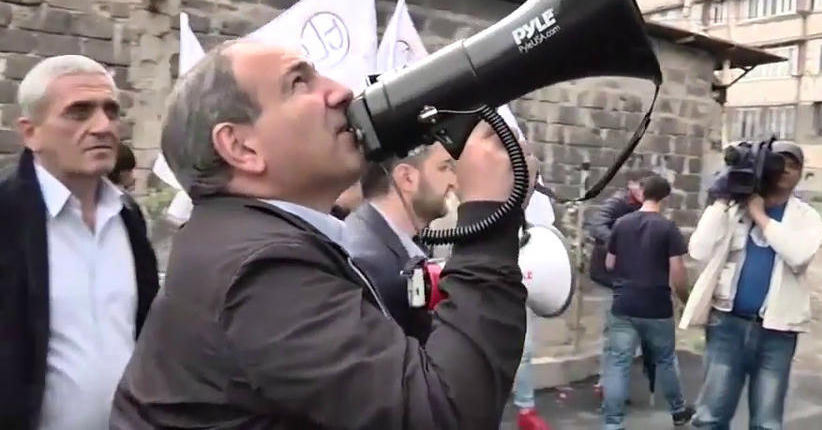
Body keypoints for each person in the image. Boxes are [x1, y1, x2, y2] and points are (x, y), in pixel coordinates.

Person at [109, 40, 532, 429]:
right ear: (241, 148)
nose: (341, 92)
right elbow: (443, 412)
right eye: (298, 83)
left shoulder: (239, 242)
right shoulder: (260, 271)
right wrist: (489, 217)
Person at [0, 55, 160, 430]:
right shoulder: (6, 215)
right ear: (30, 132)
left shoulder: (127, 216)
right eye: (79, 112)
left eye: (111, 111)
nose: (102, 126)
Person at [682, 141, 822, 429]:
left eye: (794, 165)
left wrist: (760, 215)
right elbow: (698, 250)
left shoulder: (806, 217)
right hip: (727, 324)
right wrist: (722, 198)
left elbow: (798, 256)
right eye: (779, 162)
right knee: (710, 417)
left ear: (801, 173)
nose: (786, 169)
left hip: (778, 331)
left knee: (767, 422)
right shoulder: (734, 209)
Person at [601, 174, 694, 428]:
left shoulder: (621, 224)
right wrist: (685, 299)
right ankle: (678, 411)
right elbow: (677, 272)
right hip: (656, 305)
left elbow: (610, 263)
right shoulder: (668, 228)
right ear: (665, 198)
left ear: (642, 193)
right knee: (665, 359)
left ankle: (612, 423)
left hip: (624, 304)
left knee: (618, 362)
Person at [342, 144, 457, 341]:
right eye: (444, 167)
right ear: (407, 178)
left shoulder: (394, 242)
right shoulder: (368, 259)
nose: (454, 181)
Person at [583, 169, 653, 389]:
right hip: (609, 277)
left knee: (629, 332)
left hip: (632, 278)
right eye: (640, 185)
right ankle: (606, 382)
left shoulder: (647, 207)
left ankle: (614, 379)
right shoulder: (616, 203)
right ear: (630, 185)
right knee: (612, 331)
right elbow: (596, 225)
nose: (643, 191)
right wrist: (620, 244)